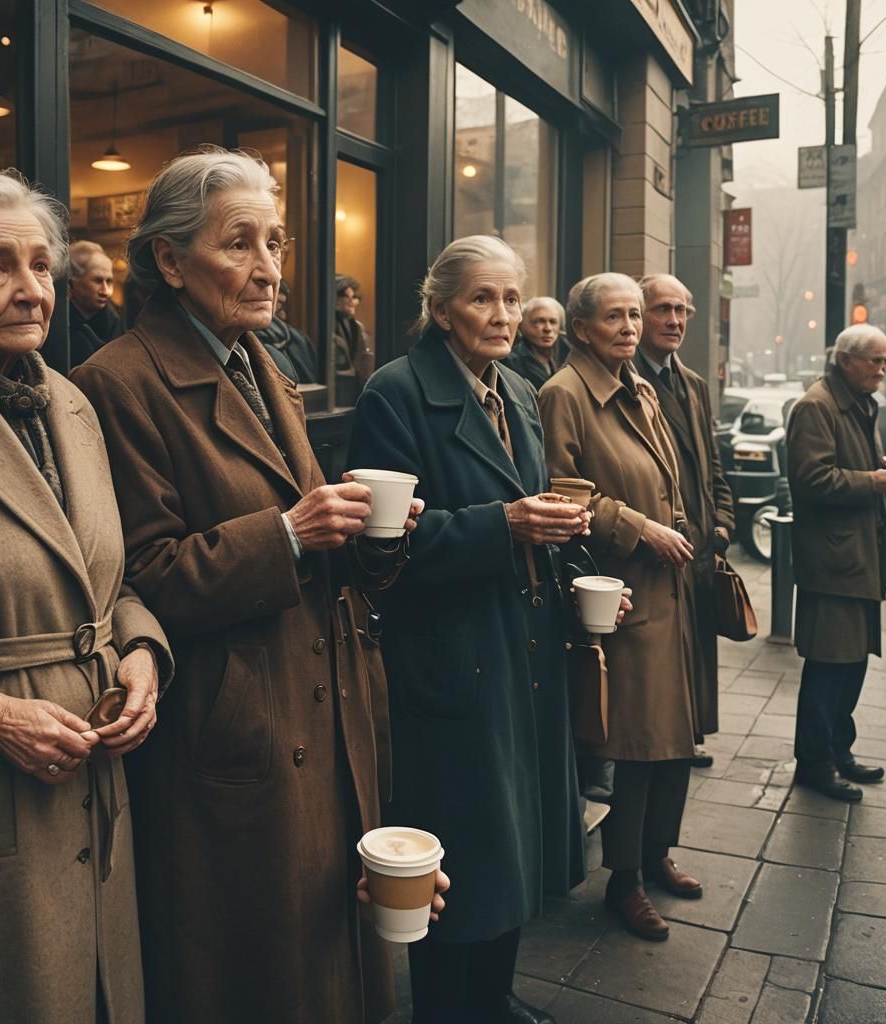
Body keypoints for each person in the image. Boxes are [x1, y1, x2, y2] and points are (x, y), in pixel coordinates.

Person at [71, 146, 443, 1024]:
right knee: (253, 972)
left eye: (275, 242)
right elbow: (138, 579)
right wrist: (287, 531)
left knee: (328, 957)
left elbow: (314, 542)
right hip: (234, 726)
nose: (269, 267)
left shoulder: (262, 364)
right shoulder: (116, 384)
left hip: (321, 706)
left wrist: (373, 539)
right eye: (240, 244)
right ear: (169, 261)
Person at [0, 166, 172, 1023]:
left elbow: (106, 577)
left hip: (92, 802)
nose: (31, 292)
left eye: (43, 266)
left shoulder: (69, 400)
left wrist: (139, 650)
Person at [348, 235, 592, 1024]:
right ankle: (450, 1008)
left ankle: (496, 994)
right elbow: (384, 550)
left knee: (516, 836)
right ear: (441, 306)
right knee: (463, 842)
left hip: (523, 641)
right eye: (483, 298)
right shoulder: (396, 393)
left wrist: (579, 585)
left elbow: (531, 513)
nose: (502, 314)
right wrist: (504, 524)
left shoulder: (518, 389)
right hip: (452, 655)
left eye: (513, 298)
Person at [539, 272, 702, 943]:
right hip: (621, 594)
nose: (632, 327)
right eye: (616, 317)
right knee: (634, 745)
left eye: (636, 315)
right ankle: (624, 880)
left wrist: (685, 521)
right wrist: (639, 527)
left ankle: (658, 852)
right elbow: (558, 492)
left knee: (674, 742)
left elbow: (671, 474)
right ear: (581, 329)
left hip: (670, 586)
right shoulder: (564, 393)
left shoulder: (641, 387)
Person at [786, 324, 886, 802]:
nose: (881, 370)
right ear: (846, 361)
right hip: (833, 560)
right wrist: (873, 482)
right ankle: (815, 763)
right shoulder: (817, 405)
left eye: (885, 362)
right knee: (828, 666)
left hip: (858, 556)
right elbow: (810, 479)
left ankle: (839, 749)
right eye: (874, 361)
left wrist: (879, 483)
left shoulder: (858, 401)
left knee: (852, 662)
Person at [635, 275, 735, 768]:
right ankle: (660, 743)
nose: (675, 321)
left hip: (698, 542)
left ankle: (686, 734)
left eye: (683, 311)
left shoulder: (692, 384)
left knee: (693, 654)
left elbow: (712, 463)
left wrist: (723, 521)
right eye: (662, 309)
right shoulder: (626, 378)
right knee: (655, 669)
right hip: (655, 545)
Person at [67, 240, 123, 365]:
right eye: (97, 281)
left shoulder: (116, 323)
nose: (105, 291)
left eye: (109, 281)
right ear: (72, 283)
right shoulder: (58, 324)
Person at [255, 278, 318, 383]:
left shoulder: (298, 338)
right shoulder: (244, 334)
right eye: (278, 303)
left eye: (280, 304)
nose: (282, 314)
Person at [504, 295, 570, 391]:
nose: (548, 328)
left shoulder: (568, 355)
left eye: (553, 322)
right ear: (521, 325)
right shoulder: (510, 361)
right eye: (539, 321)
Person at [334, 274, 375, 404]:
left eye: (354, 297)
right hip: (338, 392)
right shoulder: (328, 325)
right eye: (347, 297)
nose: (353, 302)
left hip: (356, 390)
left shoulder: (356, 327)